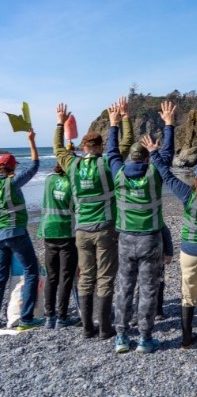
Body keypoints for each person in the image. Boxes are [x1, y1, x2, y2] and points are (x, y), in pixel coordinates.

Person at [54, 99, 133, 339]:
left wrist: (59, 124)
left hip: (81, 231)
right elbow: (126, 144)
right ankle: (104, 328)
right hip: (105, 229)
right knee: (105, 277)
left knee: (86, 276)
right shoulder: (108, 163)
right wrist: (120, 120)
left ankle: (88, 327)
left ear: (83, 146)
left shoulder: (72, 164)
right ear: (99, 146)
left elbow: (58, 149)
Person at [142, 135, 197, 358]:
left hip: (189, 252)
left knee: (188, 295)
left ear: (196, 178)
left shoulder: (188, 194)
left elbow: (166, 175)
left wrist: (153, 152)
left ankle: (187, 339)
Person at [108, 99, 175, 354]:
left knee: (124, 287)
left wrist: (114, 125)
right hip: (150, 239)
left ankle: (122, 337)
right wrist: (169, 124)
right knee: (148, 288)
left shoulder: (118, 172)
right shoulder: (154, 173)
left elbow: (112, 153)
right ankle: (145, 338)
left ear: (131, 158)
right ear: (147, 157)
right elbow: (167, 155)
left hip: (125, 239)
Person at [0, 130, 44, 331]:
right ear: (11, 168)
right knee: (31, 271)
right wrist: (32, 142)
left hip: (0, 235)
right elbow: (35, 166)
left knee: (1, 277)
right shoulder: (13, 183)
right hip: (16, 233)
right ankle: (26, 318)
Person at [37, 163, 79, 329]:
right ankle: (61, 316)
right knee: (66, 276)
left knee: (52, 276)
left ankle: (49, 317)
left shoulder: (48, 180)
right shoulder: (73, 182)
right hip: (66, 232)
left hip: (48, 230)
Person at [130, 225, 174, 327]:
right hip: (143, 259)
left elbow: (167, 237)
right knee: (142, 286)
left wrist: (168, 253)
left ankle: (158, 311)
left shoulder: (160, 224)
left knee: (159, 284)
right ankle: (137, 313)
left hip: (157, 259)